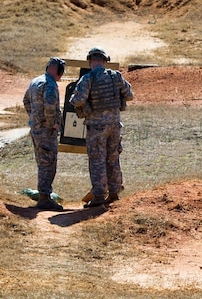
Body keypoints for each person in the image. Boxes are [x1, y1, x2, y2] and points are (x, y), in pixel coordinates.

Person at [70, 47, 134, 208]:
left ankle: (99, 195)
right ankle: (113, 193)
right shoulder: (115, 76)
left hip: (97, 127)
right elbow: (129, 95)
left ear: (90, 61)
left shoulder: (88, 78)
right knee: (113, 158)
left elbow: (77, 100)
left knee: (97, 160)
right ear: (105, 61)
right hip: (114, 125)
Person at [22, 57, 67, 212]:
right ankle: (44, 198)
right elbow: (49, 105)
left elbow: (26, 101)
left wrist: (34, 118)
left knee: (42, 163)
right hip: (46, 132)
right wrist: (51, 123)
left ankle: (44, 196)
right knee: (48, 164)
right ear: (59, 71)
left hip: (36, 129)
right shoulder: (50, 84)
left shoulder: (35, 81)